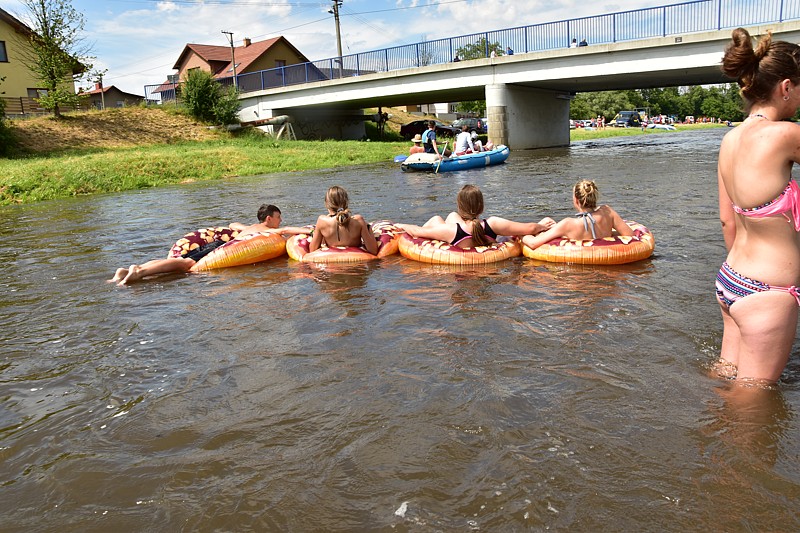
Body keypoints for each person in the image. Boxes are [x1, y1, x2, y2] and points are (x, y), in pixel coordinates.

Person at [713, 27, 800, 383]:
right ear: (785, 87)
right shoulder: (786, 135)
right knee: (754, 409)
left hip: (731, 279)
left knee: (725, 379)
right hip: (769, 292)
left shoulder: (730, 139)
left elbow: (727, 221)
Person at [109, 204, 304, 286]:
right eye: (278, 217)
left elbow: (232, 225)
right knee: (185, 265)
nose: (280, 221)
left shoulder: (249, 228)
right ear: (269, 219)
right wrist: (309, 230)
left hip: (217, 243)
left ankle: (127, 271)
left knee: (182, 260)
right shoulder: (267, 231)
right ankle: (140, 272)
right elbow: (285, 230)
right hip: (216, 248)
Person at [396, 184, 554, 249]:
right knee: (449, 216)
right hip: (488, 267)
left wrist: (399, 225)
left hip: (460, 266)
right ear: (482, 206)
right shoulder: (493, 224)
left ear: (460, 206)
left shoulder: (450, 231)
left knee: (438, 218)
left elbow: (417, 232)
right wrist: (542, 226)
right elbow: (531, 228)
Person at [521, 179, 633, 250]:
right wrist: (610, 233)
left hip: (579, 277)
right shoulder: (608, 212)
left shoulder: (568, 224)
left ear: (576, 200)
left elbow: (533, 244)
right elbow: (630, 235)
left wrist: (520, 235)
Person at [310, 185, 378, 255]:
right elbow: (373, 251)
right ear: (346, 202)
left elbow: (312, 250)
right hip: (356, 264)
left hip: (332, 264)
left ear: (327, 204)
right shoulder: (358, 220)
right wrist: (368, 227)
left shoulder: (322, 221)